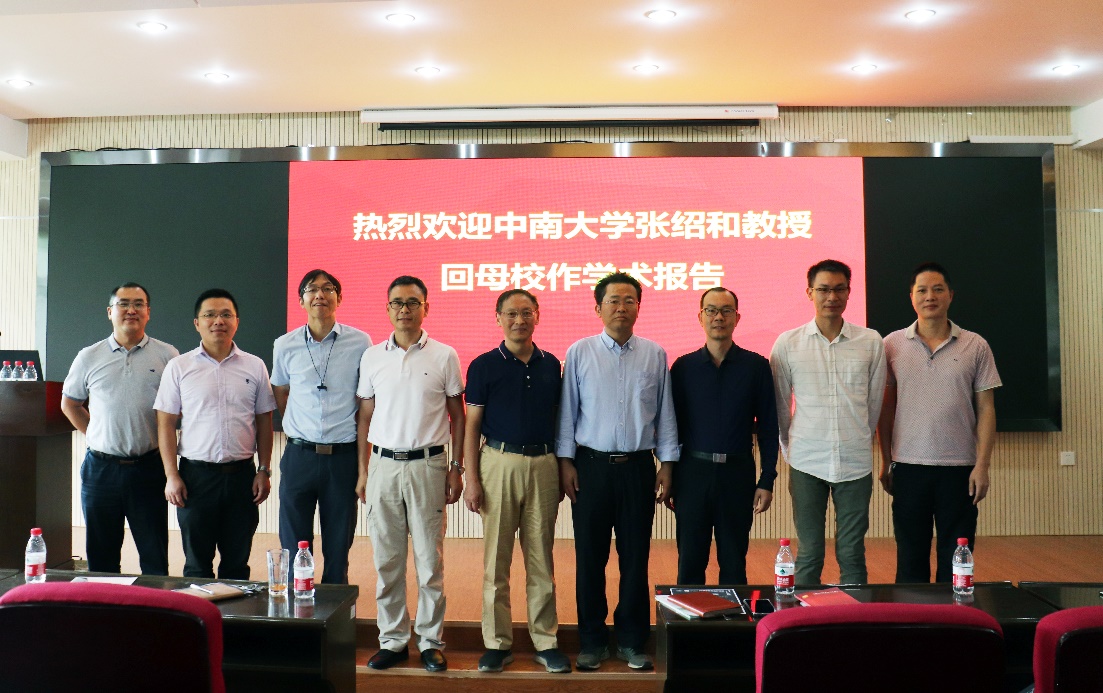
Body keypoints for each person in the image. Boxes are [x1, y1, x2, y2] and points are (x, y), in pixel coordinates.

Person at [557, 271, 678, 671]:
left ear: (639, 307)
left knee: (635, 558)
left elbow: (665, 414)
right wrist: (565, 462)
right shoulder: (580, 352)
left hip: (639, 469)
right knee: (590, 559)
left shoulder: (655, 354)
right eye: (613, 300)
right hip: (590, 468)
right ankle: (592, 641)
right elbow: (567, 413)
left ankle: (631, 640)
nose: (621, 307)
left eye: (629, 300)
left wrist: (667, 464)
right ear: (598, 308)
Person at [356, 275, 465, 673]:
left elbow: (458, 416)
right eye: (397, 303)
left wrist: (456, 467)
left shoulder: (444, 355)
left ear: (425, 308)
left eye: (413, 302)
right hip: (383, 466)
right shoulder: (372, 357)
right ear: (388, 309)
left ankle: (431, 642)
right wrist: (363, 471)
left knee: (429, 562)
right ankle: (393, 640)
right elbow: (364, 417)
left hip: (428, 466)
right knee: (387, 561)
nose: (405, 309)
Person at [463, 289, 570, 674]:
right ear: (498, 318)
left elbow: (559, 420)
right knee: (496, 560)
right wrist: (471, 478)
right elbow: (472, 426)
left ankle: (545, 640)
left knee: (542, 559)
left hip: (543, 463)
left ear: (537, 316)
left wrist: (561, 467)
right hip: (498, 463)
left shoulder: (551, 364)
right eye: (511, 313)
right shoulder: (483, 365)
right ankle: (497, 643)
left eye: (526, 313)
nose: (519, 320)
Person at [878, 262, 1001, 583]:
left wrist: (982, 465)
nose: (929, 296)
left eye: (937, 289)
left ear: (950, 295)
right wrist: (886, 460)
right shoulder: (892, 345)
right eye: (922, 290)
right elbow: (886, 409)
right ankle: (912, 615)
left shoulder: (975, 345)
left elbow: (987, 409)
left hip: (960, 469)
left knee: (957, 557)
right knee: (911, 556)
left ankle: (956, 614)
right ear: (911, 297)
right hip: (908, 467)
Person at [770, 259, 886, 586]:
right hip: (806, 461)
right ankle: (804, 617)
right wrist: (791, 450)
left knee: (852, 552)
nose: (831, 297)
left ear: (849, 292)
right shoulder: (788, 343)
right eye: (823, 289)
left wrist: (858, 438)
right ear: (810, 293)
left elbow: (874, 403)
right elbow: (780, 406)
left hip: (855, 462)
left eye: (839, 289)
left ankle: (854, 615)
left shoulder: (870, 341)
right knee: (809, 552)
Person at [155, 288, 276, 579]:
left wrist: (264, 470)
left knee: (237, 565)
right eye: (210, 315)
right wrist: (172, 475)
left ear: (236, 321)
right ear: (197, 323)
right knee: (197, 566)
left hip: (242, 478)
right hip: (196, 479)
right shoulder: (179, 367)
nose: (218, 321)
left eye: (225, 315)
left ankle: (234, 611)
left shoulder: (255, 365)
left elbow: (264, 421)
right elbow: (165, 423)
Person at [61, 282, 179, 575]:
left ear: (148, 312)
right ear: (110, 312)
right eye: (123, 303)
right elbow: (70, 404)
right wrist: (97, 434)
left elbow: (178, 409)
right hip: (101, 471)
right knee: (101, 560)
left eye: (138, 304)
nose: (131, 310)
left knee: (154, 558)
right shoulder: (88, 356)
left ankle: (153, 606)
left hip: (149, 468)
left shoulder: (168, 355)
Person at [670, 287, 778, 585]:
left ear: (737, 318)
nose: (719, 317)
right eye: (711, 310)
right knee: (690, 562)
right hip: (692, 474)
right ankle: (691, 618)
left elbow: (769, 428)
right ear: (700, 317)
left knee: (733, 562)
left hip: (737, 474)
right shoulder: (683, 367)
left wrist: (767, 479)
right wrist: (670, 473)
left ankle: (733, 618)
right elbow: (671, 427)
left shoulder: (756, 367)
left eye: (726, 311)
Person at [272, 269, 371, 585]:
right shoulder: (285, 345)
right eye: (311, 289)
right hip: (299, 456)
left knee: (338, 547)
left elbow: (365, 402)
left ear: (339, 298)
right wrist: (301, 427)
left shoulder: (360, 342)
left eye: (328, 289)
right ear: (301, 300)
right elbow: (281, 392)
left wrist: (363, 467)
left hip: (342, 458)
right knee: (294, 545)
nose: (320, 294)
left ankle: (334, 610)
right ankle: (298, 608)